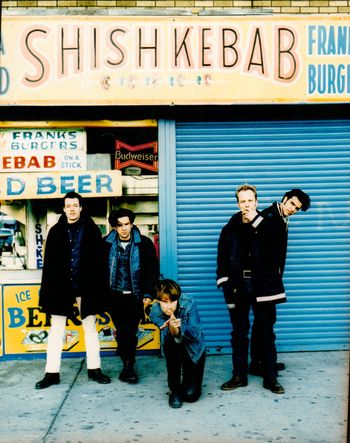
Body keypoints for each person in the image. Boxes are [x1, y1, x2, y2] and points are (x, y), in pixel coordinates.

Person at [36, 192, 110, 389]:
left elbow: (99, 263)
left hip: (86, 288)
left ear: (81, 207)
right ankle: (51, 373)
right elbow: (49, 265)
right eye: (68, 205)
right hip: (61, 288)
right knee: (56, 331)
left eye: (75, 205)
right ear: (63, 208)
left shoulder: (92, 229)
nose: (72, 209)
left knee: (90, 330)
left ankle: (95, 369)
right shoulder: (55, 231)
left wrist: (99, 289)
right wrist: (47, 292)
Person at [216, 184, 286, 394]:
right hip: (239, 287)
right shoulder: (230, 227)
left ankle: (271, 377)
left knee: (266, 332)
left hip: (263, 286)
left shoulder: (270, 224)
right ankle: (239, 376)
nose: (246, 204)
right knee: (239, 333)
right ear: (237, 203)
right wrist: (226, 284)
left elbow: (275, 246)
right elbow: (222, 257)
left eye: (250, 200)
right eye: (242, 201)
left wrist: (256, 219)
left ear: (256, 201)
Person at [249, 188, 311, 377]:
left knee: (263, 323)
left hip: (270, 281)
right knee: (266, 324)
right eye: (292, 204)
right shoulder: (269, 216)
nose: (293, 209)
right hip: (263, 283)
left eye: (297, 208)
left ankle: (258, 363)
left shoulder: (281, 217)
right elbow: (261, 242)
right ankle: (267, 365)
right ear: (284, 199)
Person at [104, 208, 159, 384]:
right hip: (115, 296)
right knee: (122, 331)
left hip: (135, 297)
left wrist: (149, 293)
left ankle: (129, 366)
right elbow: (98, 272)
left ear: (132, 224)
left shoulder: (144, 244)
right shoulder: (105, 244)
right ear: (114, 227)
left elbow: (152, 271)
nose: (124, 228)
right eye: (119, 225)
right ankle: (127, 363)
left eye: (127, 224)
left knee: (130, 331)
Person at [150, 279, 206, 409]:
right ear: (158, 301)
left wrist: (180, 327)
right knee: (171, 344)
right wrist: (171, 329)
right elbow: (159, 325)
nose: (169, 306)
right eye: (165, 302)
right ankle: (174, 389)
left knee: (190, 395)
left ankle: (187, 378)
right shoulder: (155, 310)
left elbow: (196, 333)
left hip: (194, 349)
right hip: (174, 349)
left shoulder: (189, 303)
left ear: (178, 298)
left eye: (173, 301)